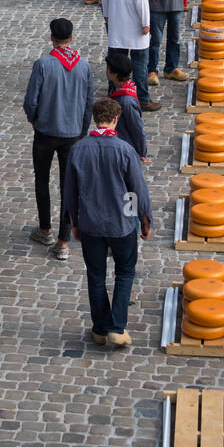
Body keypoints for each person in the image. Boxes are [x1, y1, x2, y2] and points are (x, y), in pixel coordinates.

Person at [62, 97, 152, 347]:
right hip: (121, 224)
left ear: (94, 118)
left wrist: (74, 222)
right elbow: (136, 189)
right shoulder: (125, 150)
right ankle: (117, 326)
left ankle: (100, 329)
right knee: (124, 272)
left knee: (96, 275)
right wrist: (142, 218)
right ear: (115, 120)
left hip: (90, 223)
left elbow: (70, 190)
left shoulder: (79, 149)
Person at [23, 17, 94, 262]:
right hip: (73, 134)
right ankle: (64, 240)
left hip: (45, 132)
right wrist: (82, 129)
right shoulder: (84, 66)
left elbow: (31, 99)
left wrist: (34, 119)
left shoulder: (43, 64)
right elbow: (88, 103)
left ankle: (45, 230)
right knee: (68, 186)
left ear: (51, 37)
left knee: (42, 179)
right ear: (71, 38)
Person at [101, 0, 157, 112]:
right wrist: (145, 22)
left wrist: (107, 13)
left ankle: (114, 93)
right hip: (134, 21)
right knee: (140, 61)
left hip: (116, 18)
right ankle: (142, 98)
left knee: (116, 59)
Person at [105, 51, 147, 157]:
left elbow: (137, 128)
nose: (106, 71)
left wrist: (142, 152)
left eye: (108, 69)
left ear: (115, 74)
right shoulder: (118, 88)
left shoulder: (126, 101)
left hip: (125, 149)